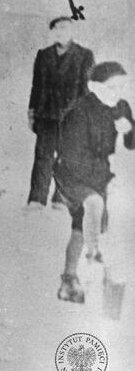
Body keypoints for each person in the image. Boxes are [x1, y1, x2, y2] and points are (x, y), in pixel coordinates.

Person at [54, 62, 134, 303]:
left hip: (99, 173)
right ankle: (93, 257)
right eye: (112, 86)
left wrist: (130, 129)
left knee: (83, 225)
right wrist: (103, 185)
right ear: (93, 86)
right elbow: (71, 156)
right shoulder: (79, 112)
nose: (118, 91)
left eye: (123, 86)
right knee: (94, 205)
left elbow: (132, 143)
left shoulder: (121, 107)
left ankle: (70, 281)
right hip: (71, 174)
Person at [27, 17, 94, 209]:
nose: (60, 32)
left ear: (72, 31)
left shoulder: (84, 55)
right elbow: (36, 86)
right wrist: (32, 113)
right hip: (46, 115)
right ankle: (37, 199)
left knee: (68, 158)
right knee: (43, 157)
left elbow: (86, 89)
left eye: (64, 28)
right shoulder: (43, 55)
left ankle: (61, 199)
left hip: (72, 117)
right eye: (56, 28)